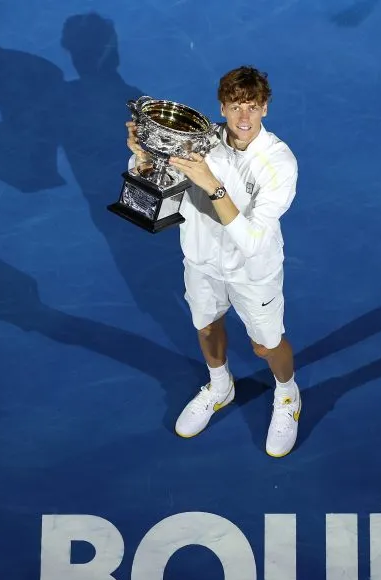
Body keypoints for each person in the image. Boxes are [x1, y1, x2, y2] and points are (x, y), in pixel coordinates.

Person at [125, 65, 301, 457]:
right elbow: (160, 194)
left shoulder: (279, 163)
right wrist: (143, 160)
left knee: (265, 345)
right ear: (222, 107)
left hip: (252, 272)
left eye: (253, 107)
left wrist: (213, 185)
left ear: (265, 109)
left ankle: (288, 395)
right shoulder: (197, 144)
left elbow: (253, 241)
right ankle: (220, 387)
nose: (244, 117)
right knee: (206, 328)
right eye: (236, 106)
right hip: (201, 260)